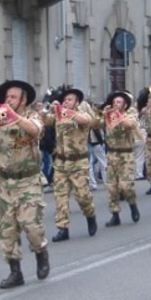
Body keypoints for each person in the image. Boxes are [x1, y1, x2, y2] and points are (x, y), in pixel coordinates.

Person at [0, 80, 49, 289]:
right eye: (6, 97)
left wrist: (13, 117)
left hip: (29, 180)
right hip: (6, 183)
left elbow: (35, 130)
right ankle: (15, 272)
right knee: (6, 230)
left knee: (31, 226)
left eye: (13, 97)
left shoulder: (32, 116)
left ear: (23, 100)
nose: (8, 101)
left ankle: (41, 253)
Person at [41, 88, 97, 242]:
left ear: (77, 102)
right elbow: (44, 120)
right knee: (60, 198)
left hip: (78, 163)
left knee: (82, 197)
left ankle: (90, 214)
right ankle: (62, 228)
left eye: (70, 100)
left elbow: (85, 121)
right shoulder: (58, 116)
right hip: (60, 163)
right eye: (65, 100)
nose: (66, 102)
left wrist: (64, 110)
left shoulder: (81, 114)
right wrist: (46, 109)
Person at [95, 91, 141, 228]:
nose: (115, 105)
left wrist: (118, 115)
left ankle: (132, 204)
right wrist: (100, 113)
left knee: (126, 186)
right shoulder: (108, 116)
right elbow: (94, 125)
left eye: (119, 102)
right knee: (111, 188)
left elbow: (130, 125)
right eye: (114, 102)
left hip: (125, 155)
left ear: (125, 105)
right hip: (111, 154)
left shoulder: (130, 114)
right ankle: (115, 215)